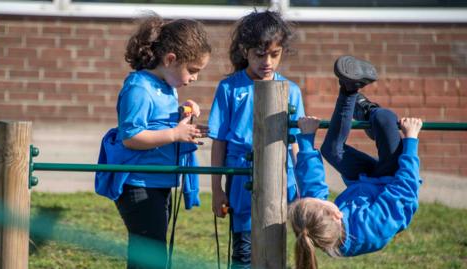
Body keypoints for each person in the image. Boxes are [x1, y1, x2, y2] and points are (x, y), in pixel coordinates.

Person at [208, 10, 326, 268]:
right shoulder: (229, 88)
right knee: (244, 251)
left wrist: (302, 190)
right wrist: (216, 190)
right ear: (244, 51)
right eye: (260, 55)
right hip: (242, 179)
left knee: (276, 248)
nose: (267, 62)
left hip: (284, 180)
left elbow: (295, 144)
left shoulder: (291, 91)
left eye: (275, 54)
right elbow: (219, 141)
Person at [94, 12, 211, 269]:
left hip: (157, 180)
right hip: (137, 182)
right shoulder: (139, 88)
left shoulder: (165, 87)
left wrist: (181, 113)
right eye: (192, 70)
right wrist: (174, 134)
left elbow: (156, 122)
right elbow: (131, 137)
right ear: (170, 59)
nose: (194, 78)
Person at [289, 55, 423, 269]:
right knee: (384, 119)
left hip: (365, 183)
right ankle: (370, 111)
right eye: (322, 203)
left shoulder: (315, 224)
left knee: (331, 150)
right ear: (335, 214)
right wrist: (411, 140)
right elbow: (405, 192)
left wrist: (306, 139)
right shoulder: (373, 228)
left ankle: (350, 88)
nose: (319, 200)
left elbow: (311, 186)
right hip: (393, 181)